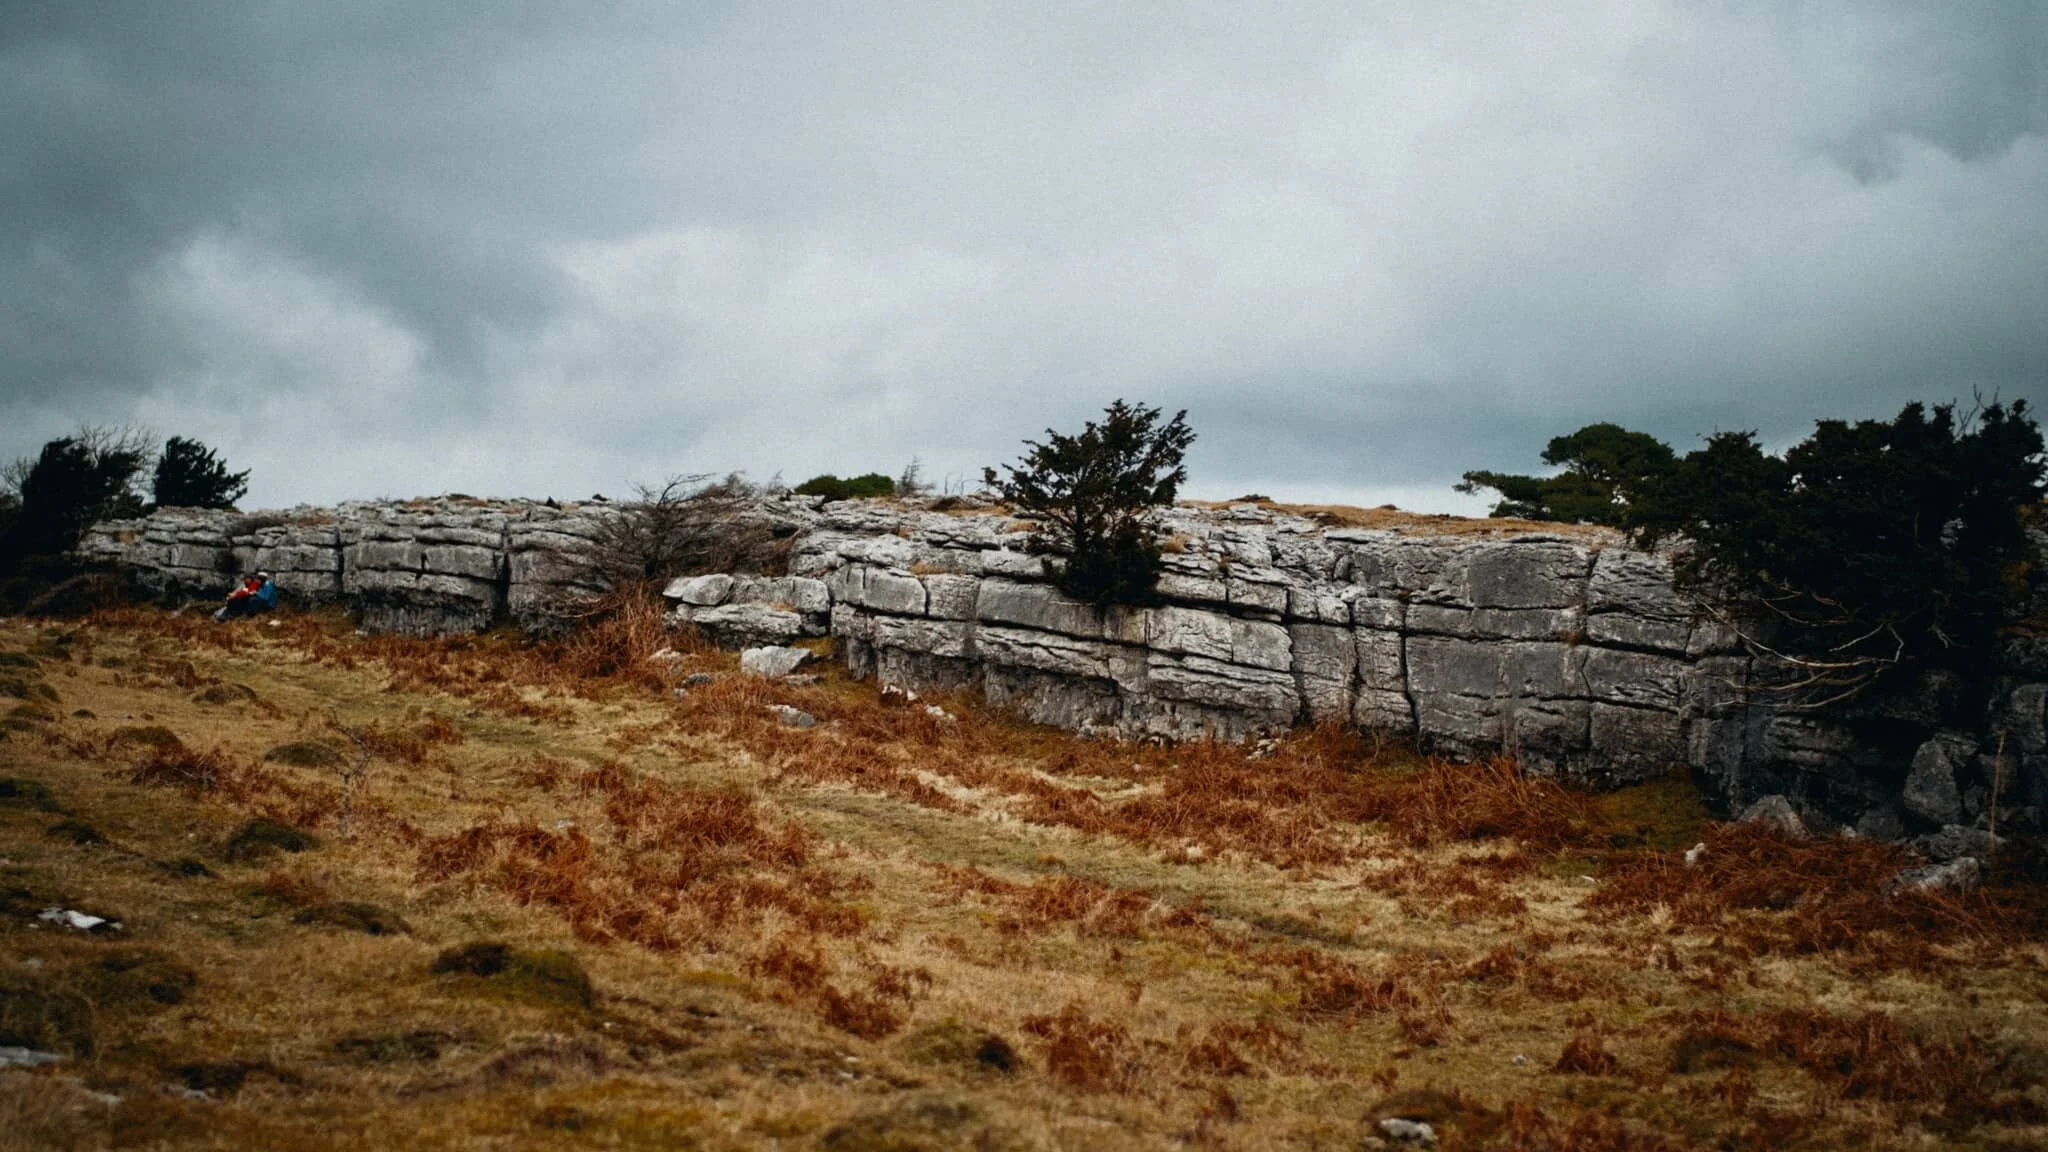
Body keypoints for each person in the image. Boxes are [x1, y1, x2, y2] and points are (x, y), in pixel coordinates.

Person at [213, 571, 277, 622]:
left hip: (268, 605)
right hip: (259, 601)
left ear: (262, 580)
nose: (256, 580)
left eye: (258, 579)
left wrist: (256, 593)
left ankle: (249, 614)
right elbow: (248, 590)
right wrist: (235, 595)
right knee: (243, 598)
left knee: (251, 600)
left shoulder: (268, 586)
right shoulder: (258, 584)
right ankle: (228, 614)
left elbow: (265, 598)